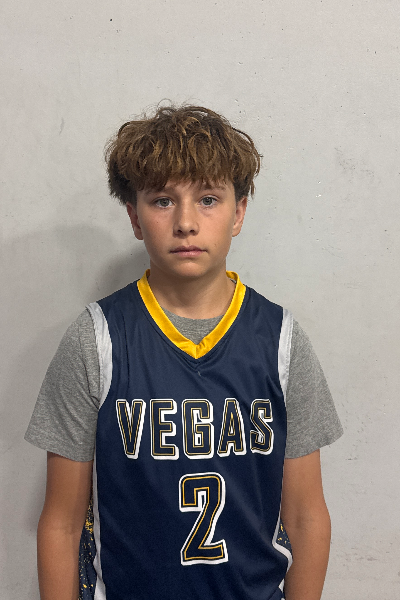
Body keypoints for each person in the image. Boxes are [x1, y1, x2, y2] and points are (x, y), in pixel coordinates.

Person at [25, 104, 343, 600]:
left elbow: (306, 517)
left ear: (239, 213)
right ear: (134, 217)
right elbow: (62, 523)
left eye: (209, 199)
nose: (187, 222)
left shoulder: (281, 340)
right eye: (162, 201)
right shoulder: (95, 340)